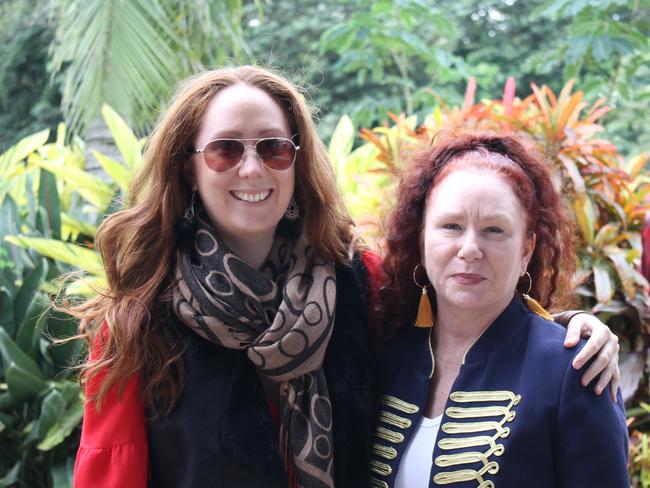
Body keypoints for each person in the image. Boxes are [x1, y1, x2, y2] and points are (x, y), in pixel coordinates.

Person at [71, 67, 621, 488]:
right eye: (224, 150)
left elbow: (464, 312)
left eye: (273, 148)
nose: (252, 168)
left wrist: (571, 333)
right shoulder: (140, 324)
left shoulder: (357, 283)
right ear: (188, 166)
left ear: (297, 159)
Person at [370, 132, 629, 488]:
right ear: (421, 238)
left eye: (494, 230)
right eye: (451, 226)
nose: (470, 249)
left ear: (527, 249)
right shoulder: (387, 355)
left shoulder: (576, 370)